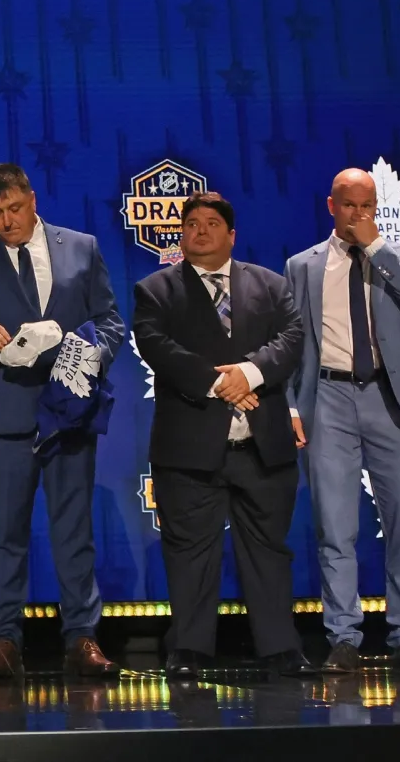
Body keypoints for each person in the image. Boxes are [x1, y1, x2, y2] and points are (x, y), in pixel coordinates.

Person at [0, 163, 124, 678]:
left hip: (69, 411)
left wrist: (88, 356)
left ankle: (82, 638)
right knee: (6, 532)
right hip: (4, 413)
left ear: (32, 200)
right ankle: (4, 641)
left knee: (74, 530)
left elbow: (110, 321)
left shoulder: (80, 247)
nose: (6, 222)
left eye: (14, 210)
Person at [131, 192, 315, 680]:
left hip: (263, 444)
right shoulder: (156, 290)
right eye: (191, 223)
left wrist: (250, 373)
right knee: (190, 551)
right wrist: (219, 383)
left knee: (269, 551)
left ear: (231, 234)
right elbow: (157, 347)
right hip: (190, 449)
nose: (201, 231)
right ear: (182, 234)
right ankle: (189, 651)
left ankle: (280, 649)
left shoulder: (271, 286)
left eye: (212, 223)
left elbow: (293, 338)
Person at [284, 167, 400, 675]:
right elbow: (292, 342)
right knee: (335, 526)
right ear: (331, 206)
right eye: (349, 206)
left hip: (390, 398)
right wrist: (292, 404)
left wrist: (377, 247)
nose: (359, 215)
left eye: (367, 205)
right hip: (328, 398)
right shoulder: (303, 265)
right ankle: (343, 637)